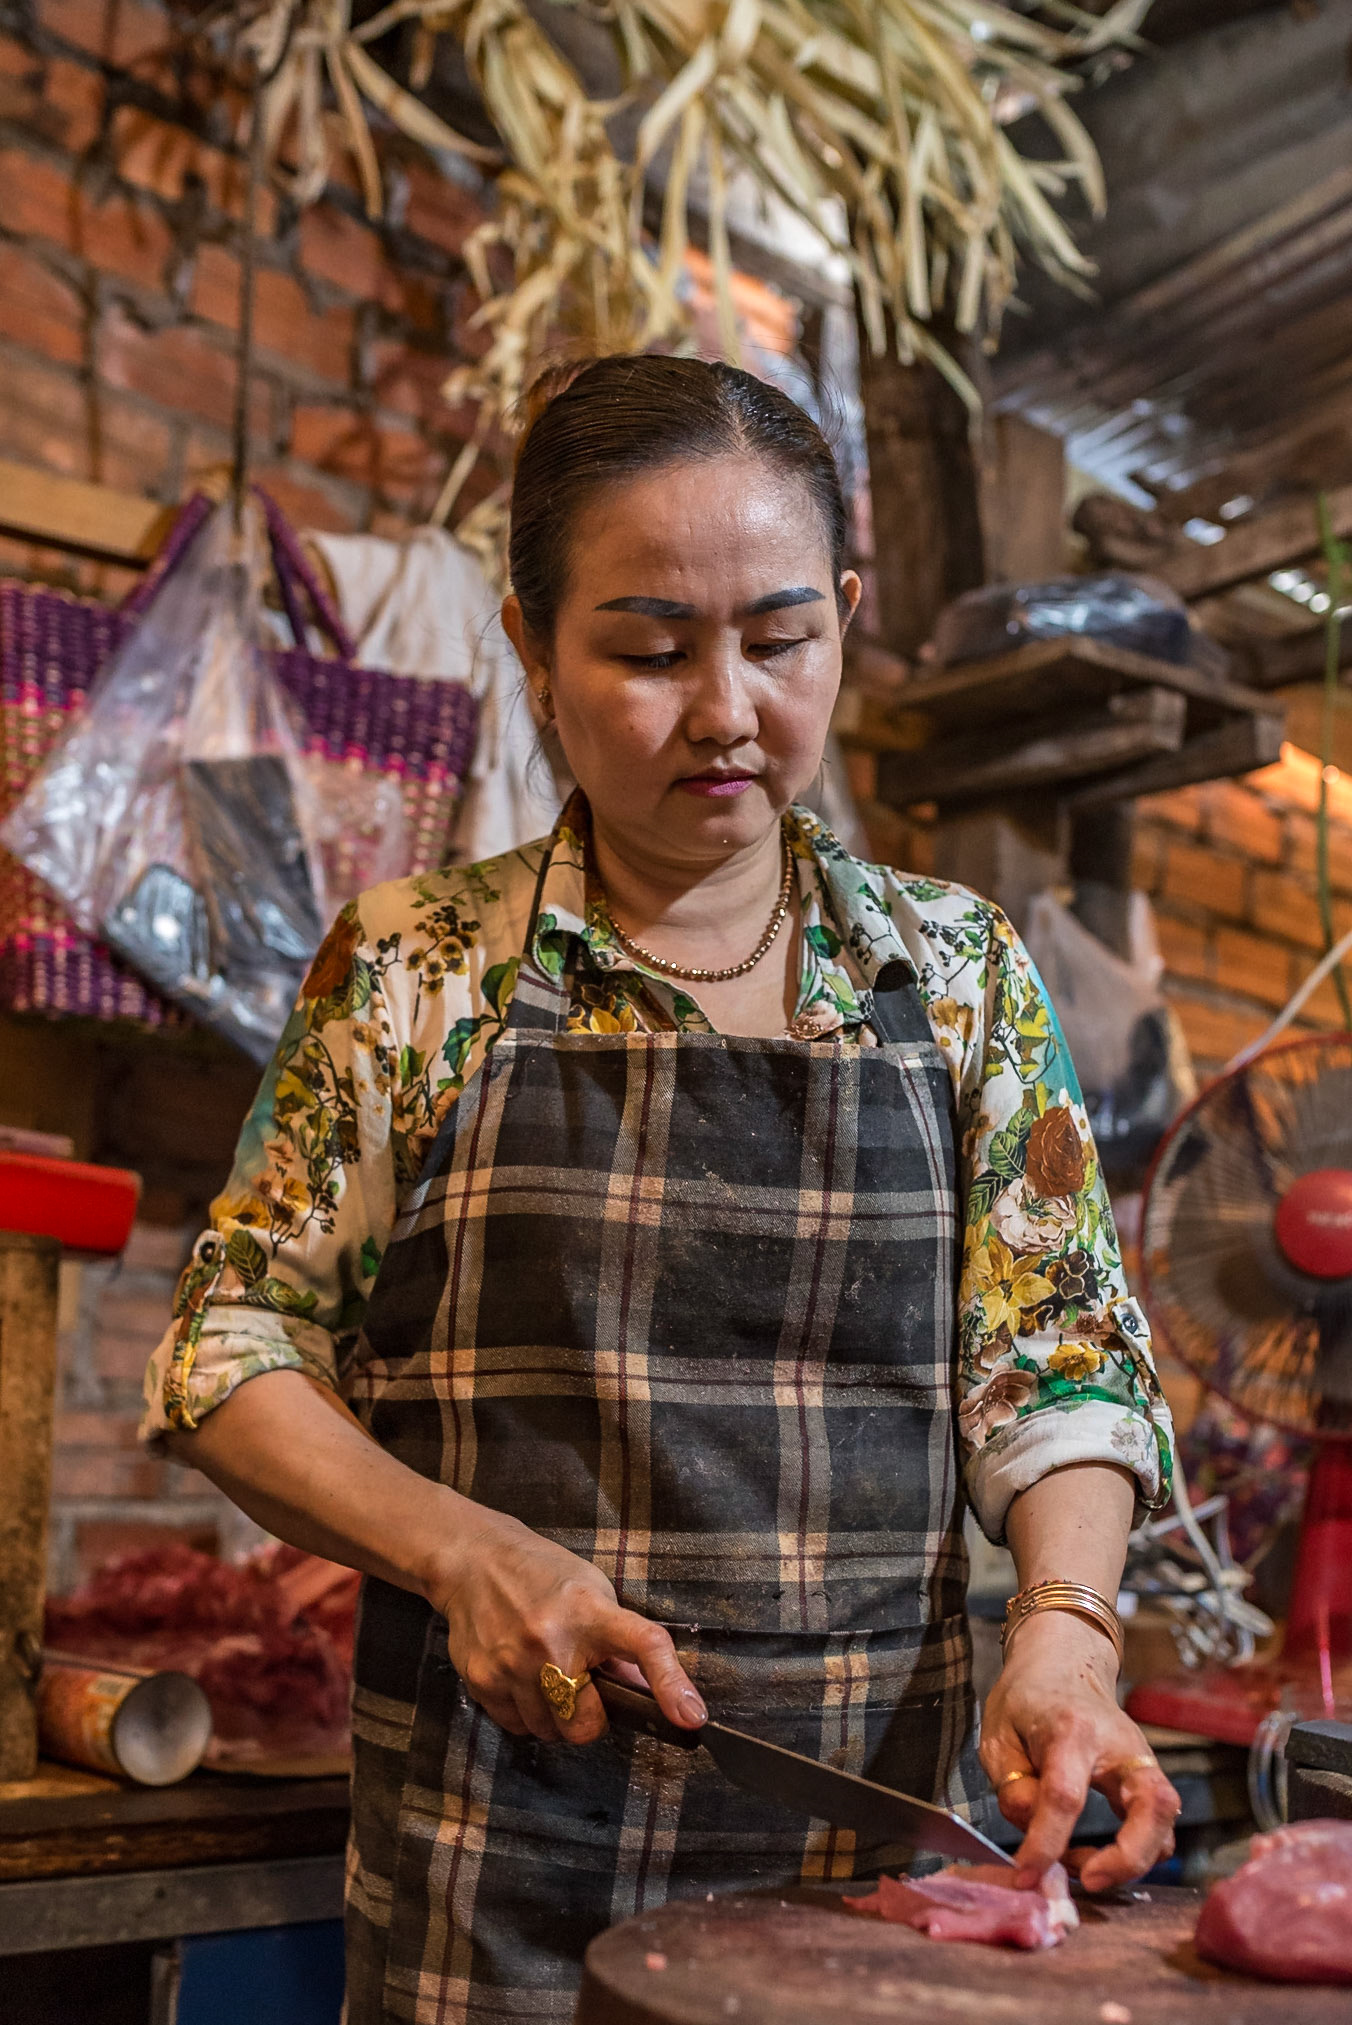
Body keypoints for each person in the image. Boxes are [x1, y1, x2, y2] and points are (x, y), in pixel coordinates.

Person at [144, 355, 1180, 2023]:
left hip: (877, 1883)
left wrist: (1066, 1626)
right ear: (532, 652)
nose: (726, 710)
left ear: (846, 611)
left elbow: (1060, 1357)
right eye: (648, 647)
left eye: (781, 641)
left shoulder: (960, 971)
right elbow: (229, 1348)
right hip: (499, 1875)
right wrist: (463, 1550)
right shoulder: (422, 968)